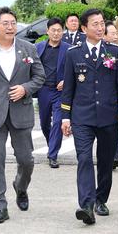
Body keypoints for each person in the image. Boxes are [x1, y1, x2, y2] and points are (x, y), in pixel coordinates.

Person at [0, 7, 45, 224]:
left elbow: (40, 76)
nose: (10, 27)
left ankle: (21, 188)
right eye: (5, 23)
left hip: (21, 109)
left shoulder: (28, 49)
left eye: (13, 23)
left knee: (26, 159)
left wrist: (25, 88)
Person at [61, 9, 118, 225]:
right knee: (84, 159)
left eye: (102, 24)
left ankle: (101, 199)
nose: (100, 28)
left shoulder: (116, 53)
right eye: (95, 24)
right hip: (82, 117)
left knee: (106, 161)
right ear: (83, 28)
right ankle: (87, 205)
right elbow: (68, 88)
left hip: (109, 116)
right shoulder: (73, 53)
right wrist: (65, 117)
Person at [35, 18, 70, 169]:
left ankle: (52, 155)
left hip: (59, 91)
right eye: (53, 30)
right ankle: (52, 144)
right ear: (47, 31)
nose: (56, 33)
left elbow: (76, 70)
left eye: (59, 30)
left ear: (63, 32)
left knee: (57, 122)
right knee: (44, 122)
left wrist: (66, 81)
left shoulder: (69, 49)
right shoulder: (38, 48)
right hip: (43, 89)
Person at [104, 21, 118, 169]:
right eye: (113, 33)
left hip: (116, 97)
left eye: (116, 33)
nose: (116, 36)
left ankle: (115, 156)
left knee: (116, 128)